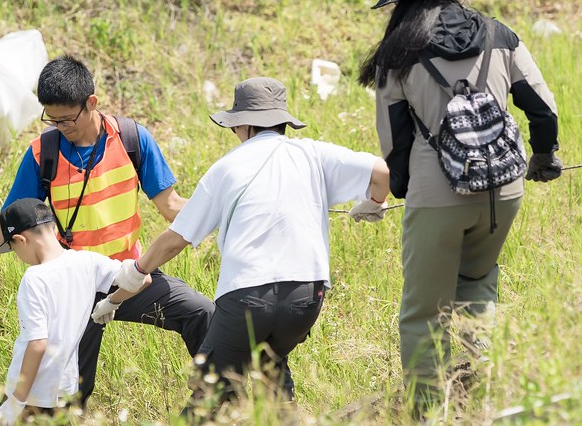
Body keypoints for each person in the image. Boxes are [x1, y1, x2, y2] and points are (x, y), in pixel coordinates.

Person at [0, 55, 214, 406]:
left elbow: (171, 206)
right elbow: (7, 222)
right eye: (52, 119)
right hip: (74, 286)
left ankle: (211, 403)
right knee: (68, 394)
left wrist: (224, 210)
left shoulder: (131, 139)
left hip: (130, 276)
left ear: (91, 103)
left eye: (67, 119)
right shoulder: (43, 153)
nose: (60, 127)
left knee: (201, 312)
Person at [358, 0, 561, 414]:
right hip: (505, 186)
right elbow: (543, 108)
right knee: (477, 289)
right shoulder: (500, 34)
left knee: (423, 313)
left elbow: (394, 141)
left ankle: (428, 412)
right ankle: (477, 403)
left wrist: (408, 189)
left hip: (438, 191)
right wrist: (544, 156)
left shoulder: (396, 54)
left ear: (401, 0)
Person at [115, 76, 390, 413]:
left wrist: (137, 270)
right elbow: (381, 171)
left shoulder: (226, 168)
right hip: (306, 297)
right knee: (271, 375)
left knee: (210, 393)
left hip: (247, 297)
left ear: (242, 125)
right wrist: (374, 203)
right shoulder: (315, 154)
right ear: (282, 121)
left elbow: (176, 239)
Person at [0, 197, 150, 425]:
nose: (18, 257)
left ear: (19, 239)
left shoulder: (34, 278)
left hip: (30, 393)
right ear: (54, 227)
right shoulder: (87, 261)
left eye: (14, 249)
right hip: (65, 388)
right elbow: (142, 279)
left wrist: (16, 401)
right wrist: (112, 301)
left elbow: (37, 344)